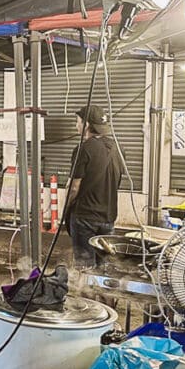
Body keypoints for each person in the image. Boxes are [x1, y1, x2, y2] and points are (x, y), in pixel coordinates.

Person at [66, 106, 124, 269]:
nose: (76, 126)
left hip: (85, 217)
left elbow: (74, 188)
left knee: (85, 265)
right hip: (109, 217)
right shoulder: (118, 148)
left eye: (77, 122)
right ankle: (102, 294)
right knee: (104, 265)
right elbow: (116, 181)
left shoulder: (83, 149)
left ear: (86, 124)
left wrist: (67, 207)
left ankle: (86, 293)